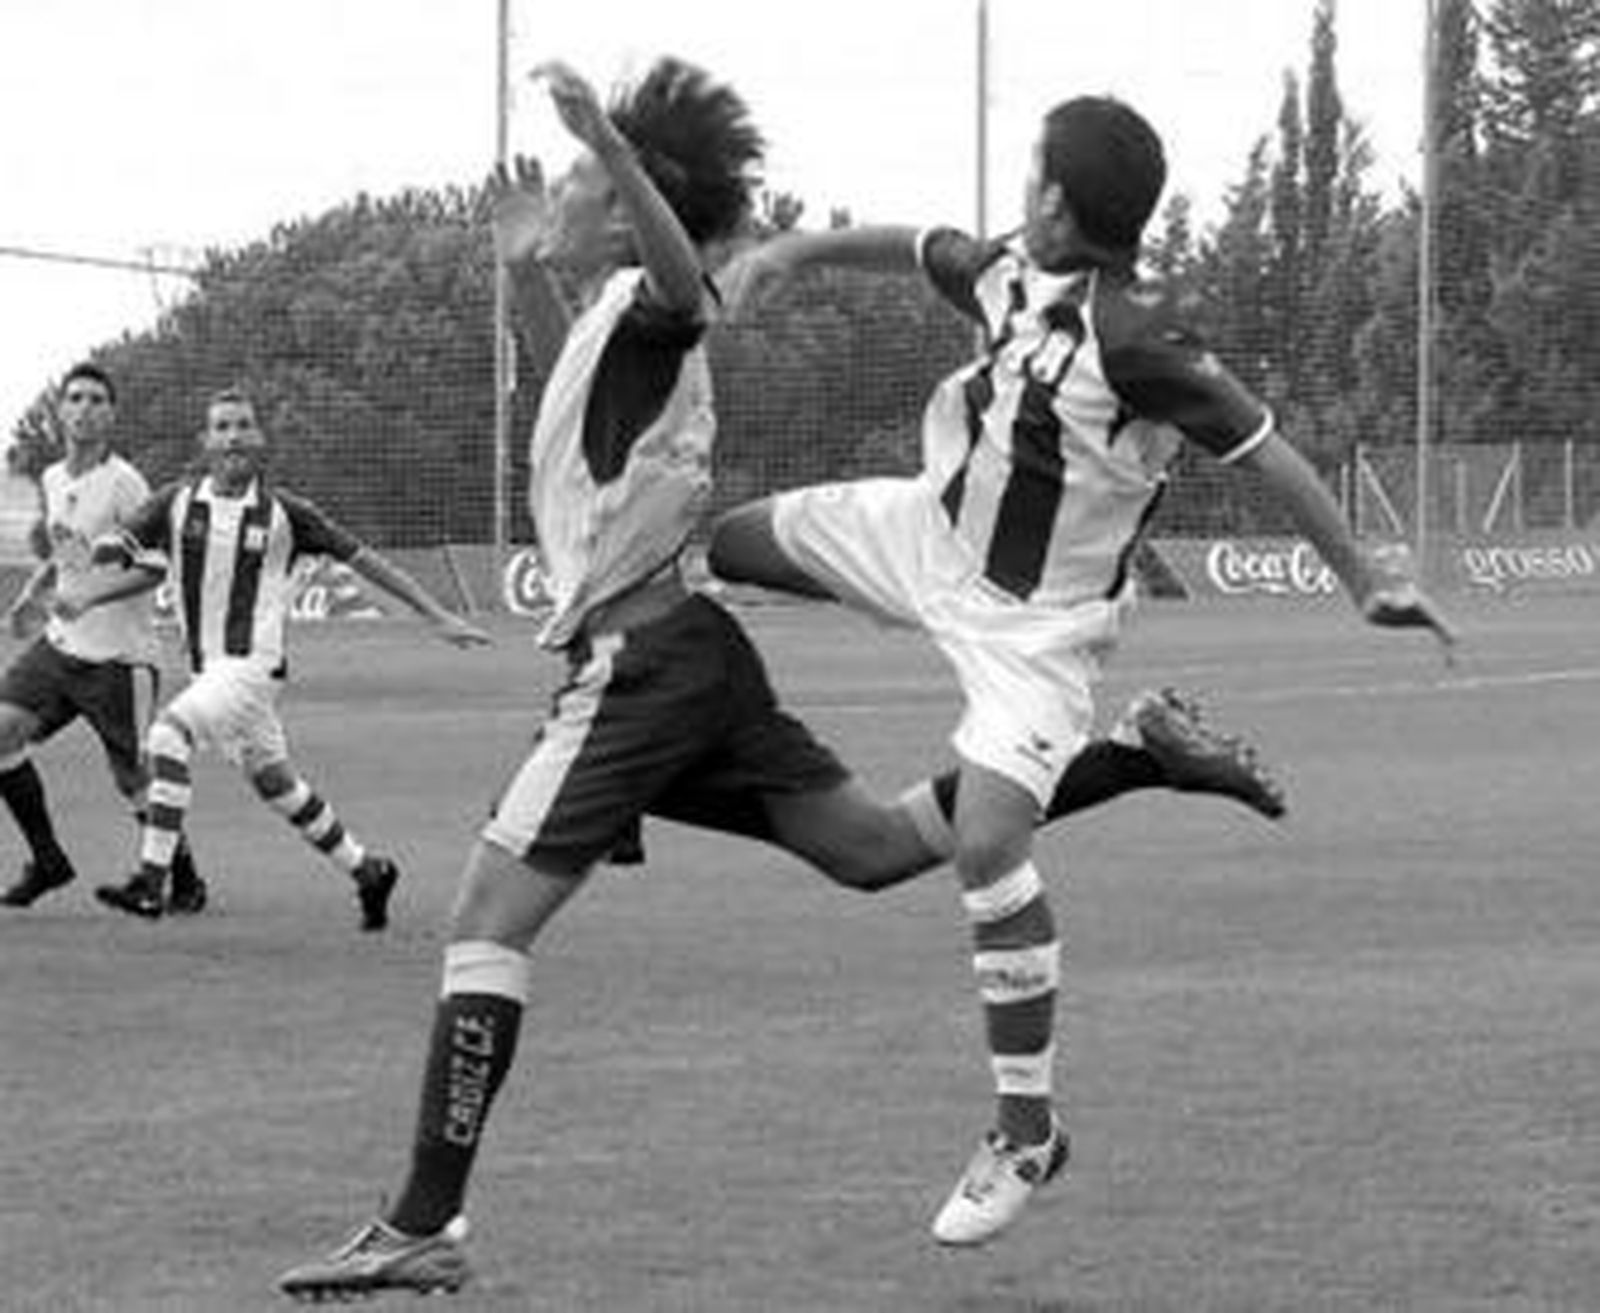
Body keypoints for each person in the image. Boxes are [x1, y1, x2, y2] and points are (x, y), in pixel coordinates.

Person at [274, 60, 1300, 1301]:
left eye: (585, 177)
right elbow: (577, 392)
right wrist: (526, 272)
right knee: (869, 847)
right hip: (683, 660)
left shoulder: (658, 304)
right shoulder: (614, 320)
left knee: (485, 921)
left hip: (641, 666)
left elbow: (677, 289)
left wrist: (611, 139)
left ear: (635, 205)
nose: (566, 186)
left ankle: (421, 1221)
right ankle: (1131, 755)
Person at [706, 94, 1458, 1247]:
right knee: (722, 544)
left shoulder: (1141, 336)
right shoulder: (1008, 269)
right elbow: (915, 245)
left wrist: (1363, 579)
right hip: (922, 535)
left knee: (987, 842)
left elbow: (1267, 451)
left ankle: (1025, 1130)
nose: (1021, 187)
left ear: (1060, 201)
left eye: (1034, 172)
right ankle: (1137, 751)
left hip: (1038, 627)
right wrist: (792, 251)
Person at [56, 387, 491, 927]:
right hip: (211, 672)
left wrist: (437, 615)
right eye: (222, 427)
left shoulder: (288, 513)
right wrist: (91, 560)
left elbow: (365, 560)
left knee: (167, 736)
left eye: (243, 425)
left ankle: (151, 881)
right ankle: (369, 871)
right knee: (276, 783)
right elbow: (119, 544)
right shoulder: (175, 502)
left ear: (259, 438)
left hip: (251, 668)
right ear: (206, 441)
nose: (233, 436)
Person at [0, 362, 206, 913]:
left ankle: (184, 878)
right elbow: (69, 551)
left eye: (96, 399)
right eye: (75, 398)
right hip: (60, 646)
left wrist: (91, 597)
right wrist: (35, 591)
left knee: (132, 777)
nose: (84, 408)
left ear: (111, 414)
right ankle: (48, 861)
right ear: (60, 410)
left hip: (119, 658)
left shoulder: (125, 484)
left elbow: (155, 567)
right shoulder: (53, 478)